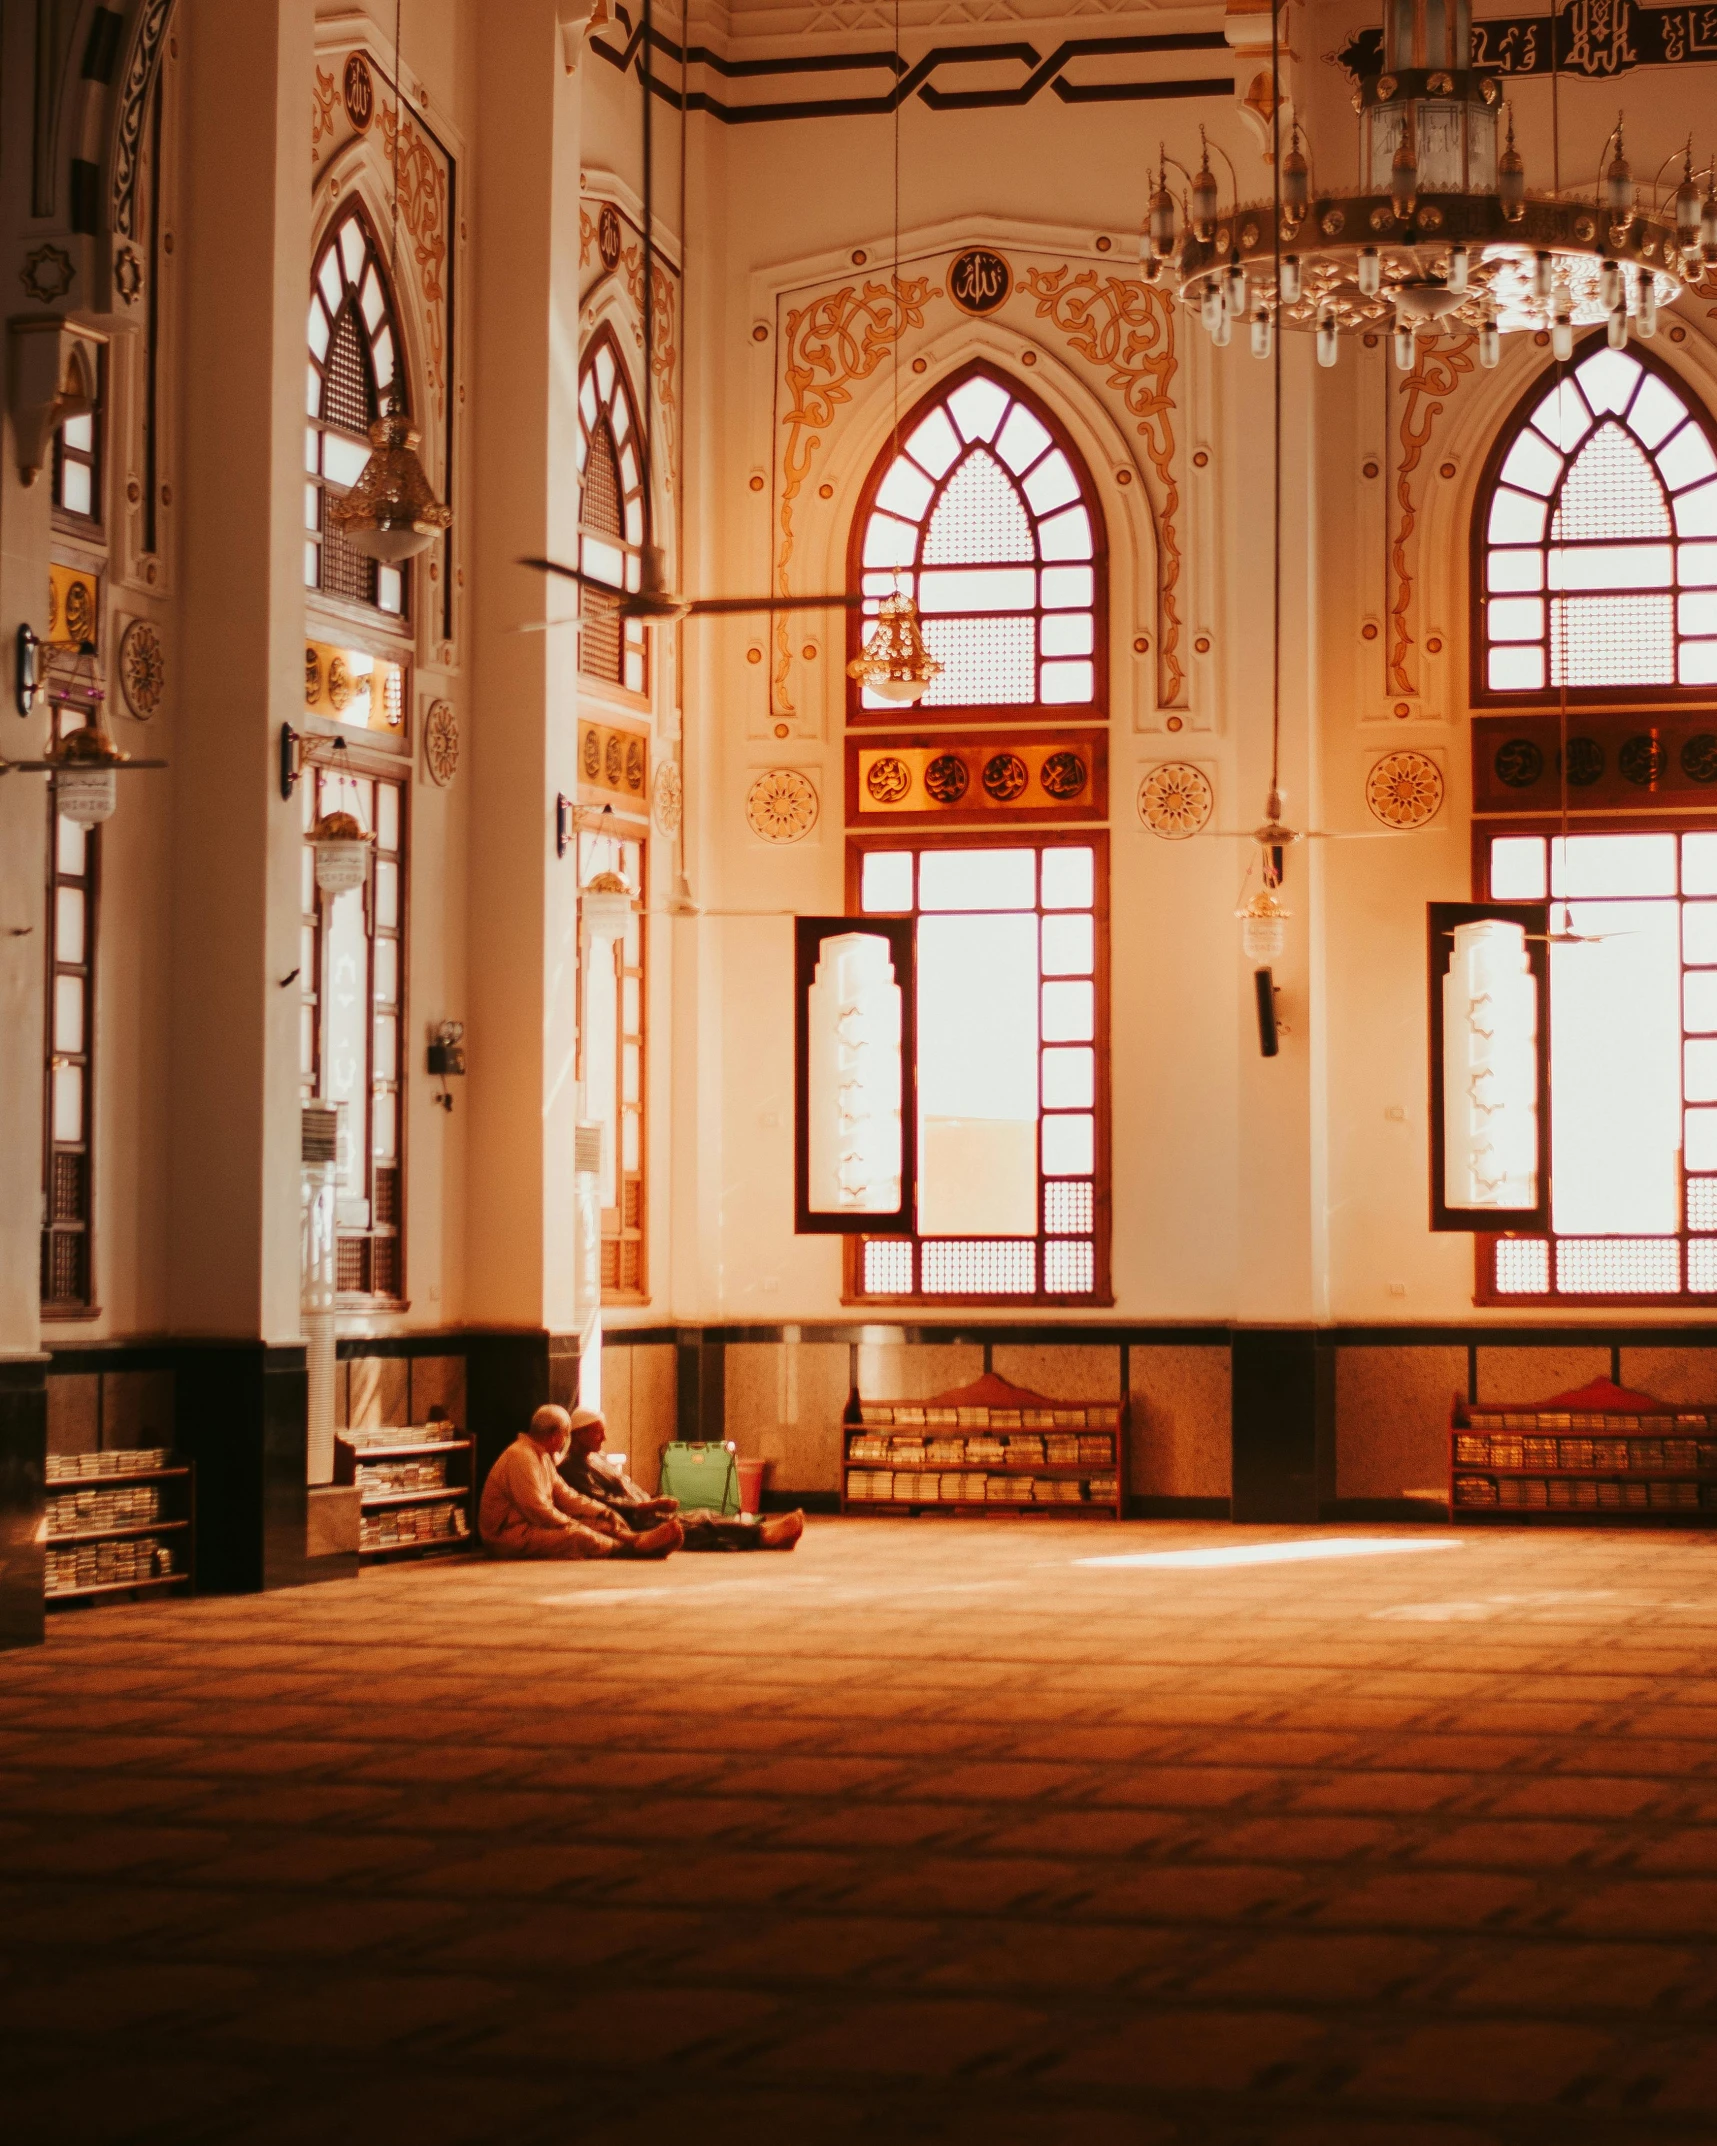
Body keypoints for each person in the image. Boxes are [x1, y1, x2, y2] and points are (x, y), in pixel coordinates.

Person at [557, 1407, 805, 1552]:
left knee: (703, 1514)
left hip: (646, 1510)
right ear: (579, 1435)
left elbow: (625, 1487)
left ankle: (760, 1532)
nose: (604, 1438)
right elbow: (601, 1501)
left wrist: (652, 1501)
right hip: (633, 1520)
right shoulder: (571, 1468)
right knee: (700, 1528)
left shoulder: (596, 1458)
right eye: (599, 1432)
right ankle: (763, 1536)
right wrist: (647, 1506)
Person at [479, 1405, 683, 1560]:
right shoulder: (521, 1457)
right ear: (554, 1435)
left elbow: (566, 1495)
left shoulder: (542, 1456)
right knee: (578, 1536)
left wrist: (602, 1511)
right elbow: (536, 1509)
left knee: (598, 1523)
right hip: (508, 1536)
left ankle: (636, 1539)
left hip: (530, 1526)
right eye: (565, 1435)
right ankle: (634, 1550)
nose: (565, 1441)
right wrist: (571, 1523)